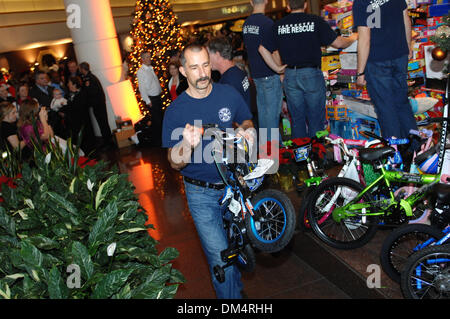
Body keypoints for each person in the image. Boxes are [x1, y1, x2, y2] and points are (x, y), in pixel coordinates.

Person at [162, 44, 253, 299]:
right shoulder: (176, 112)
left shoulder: (228, 94)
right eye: (194, 67)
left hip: (233, 187)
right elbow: (174, 162)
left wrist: (247, 131)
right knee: (220, 257)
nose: (202, 73)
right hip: (201, 194)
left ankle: (235, 292)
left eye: (205, 65)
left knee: (236, 246)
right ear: (182, 71)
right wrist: (186, 145)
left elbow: (246, 119)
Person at [265, 0, 357, 138]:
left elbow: (263, 48)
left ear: (288, 6)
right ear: (306, 5)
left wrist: (277, 68)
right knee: (316, 120)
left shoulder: (279, 25)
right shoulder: (315, 21)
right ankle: (317, 155)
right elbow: (338, 43)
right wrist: (353, 37)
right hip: (311, 74)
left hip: (290, 74)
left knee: (297, 121)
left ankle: (302, 157)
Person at [353, 0, 418, 140]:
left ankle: (395, 152)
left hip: (377, 60)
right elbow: (406, 20)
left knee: (385, 107)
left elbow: (365, 39)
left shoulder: (361, 2)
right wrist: (408, 47)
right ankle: (416, 148)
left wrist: (360, 72)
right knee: (402, 103)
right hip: (399, 55)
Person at [243, 0, 285, 142]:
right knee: (272, 117)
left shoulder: (246, 24)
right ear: (267, 1)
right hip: (270, 74)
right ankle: (275, 155)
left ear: (251, 2)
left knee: (264, 116)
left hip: (256, 75)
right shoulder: (267, 23)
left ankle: (267, 152)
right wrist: (280, 71)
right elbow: (273, 51)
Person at [207, 36, 252, 113]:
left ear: (217, 55)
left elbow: (227, 113)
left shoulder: (228, 81)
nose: (206, 59)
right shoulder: (237, 71)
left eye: (208, 55)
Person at [79, 62, 113, 147]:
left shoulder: (89, 79)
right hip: (99, 104)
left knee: (102, 123)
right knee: (103, 123)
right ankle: (107, 141)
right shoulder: (91, 77)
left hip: (98, 105)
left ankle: (108, 142)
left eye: (80, 69)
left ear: (83, 69)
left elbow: (92, 92)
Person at [60, 76, 95, 153]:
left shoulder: (82, 94)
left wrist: (67, 109)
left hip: (82, 122)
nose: (68, 84)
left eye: (69, 83)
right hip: (72, 124)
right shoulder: (67, 95)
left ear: (74, 84)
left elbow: (79, 108)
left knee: (84, 141)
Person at [137, 52, 163, 145]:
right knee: (157, 120)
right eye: (147, 57)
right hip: (152, 99)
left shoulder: (150, 68)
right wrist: (148, 101)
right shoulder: (141, 72)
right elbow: (142, 88)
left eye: (149, 57)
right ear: (142, 59)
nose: (149, 58)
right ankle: (158, 141)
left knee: (159, 118)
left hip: (157, 97)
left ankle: (160, 138)